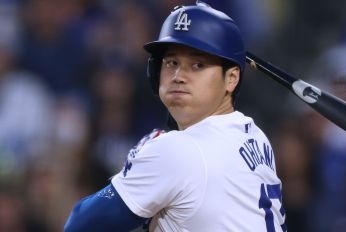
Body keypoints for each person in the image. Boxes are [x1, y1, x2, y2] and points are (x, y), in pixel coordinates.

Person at [64, 2, 286, 231]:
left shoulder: (177, 150)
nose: (179, 76)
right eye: (172, 62)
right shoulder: (255, 137)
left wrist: (133, 169)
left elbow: (80, 224)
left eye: (198, 65)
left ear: (231, 78)